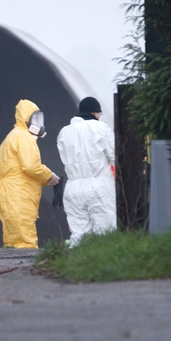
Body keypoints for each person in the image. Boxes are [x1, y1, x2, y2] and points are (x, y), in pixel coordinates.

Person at [0, 99, 60, 248]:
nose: (38, 123)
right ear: (26, 119)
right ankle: (26, 271)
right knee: (25, 243)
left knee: (12, 240)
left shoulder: (12, 135)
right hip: (19, 193)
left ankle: (11, 270)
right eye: (35, 119)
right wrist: (49, 176)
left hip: (9, 192)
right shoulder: (23, 137)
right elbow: (31, 166)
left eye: (39, 119)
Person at [57, 96, 116, 247]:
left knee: (79, 233)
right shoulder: (101, 128)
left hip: (73, 188)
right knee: (105, 231)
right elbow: (116, 157)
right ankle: (103, 264)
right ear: (95, 113)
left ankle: (76, 266)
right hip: (99, 187)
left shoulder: (64, 132)